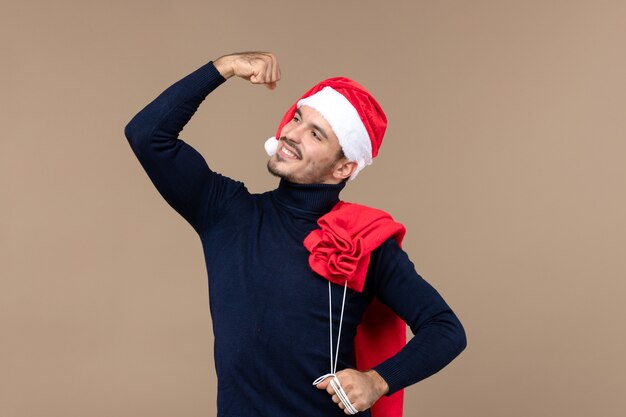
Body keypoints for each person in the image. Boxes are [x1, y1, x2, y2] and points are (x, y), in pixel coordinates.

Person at [125, 51, 466, 417]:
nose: (290, 132)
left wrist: (377, 381)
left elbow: (445, 329)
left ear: (343, 167)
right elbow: (147, 135)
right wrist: (223, 68)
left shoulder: (362, 241)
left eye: (315, 133)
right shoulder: (226, 212)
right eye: (298, 117)